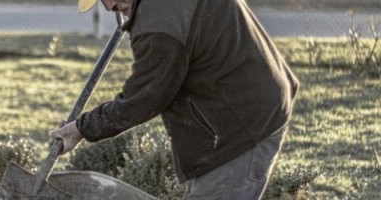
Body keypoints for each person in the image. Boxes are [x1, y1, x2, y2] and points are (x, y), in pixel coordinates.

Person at [49, 0, 300, 199]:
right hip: (250, 106)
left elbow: (145, 97)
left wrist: (82, 129)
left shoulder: (159, 24)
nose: (109, 6)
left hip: (237, 129)